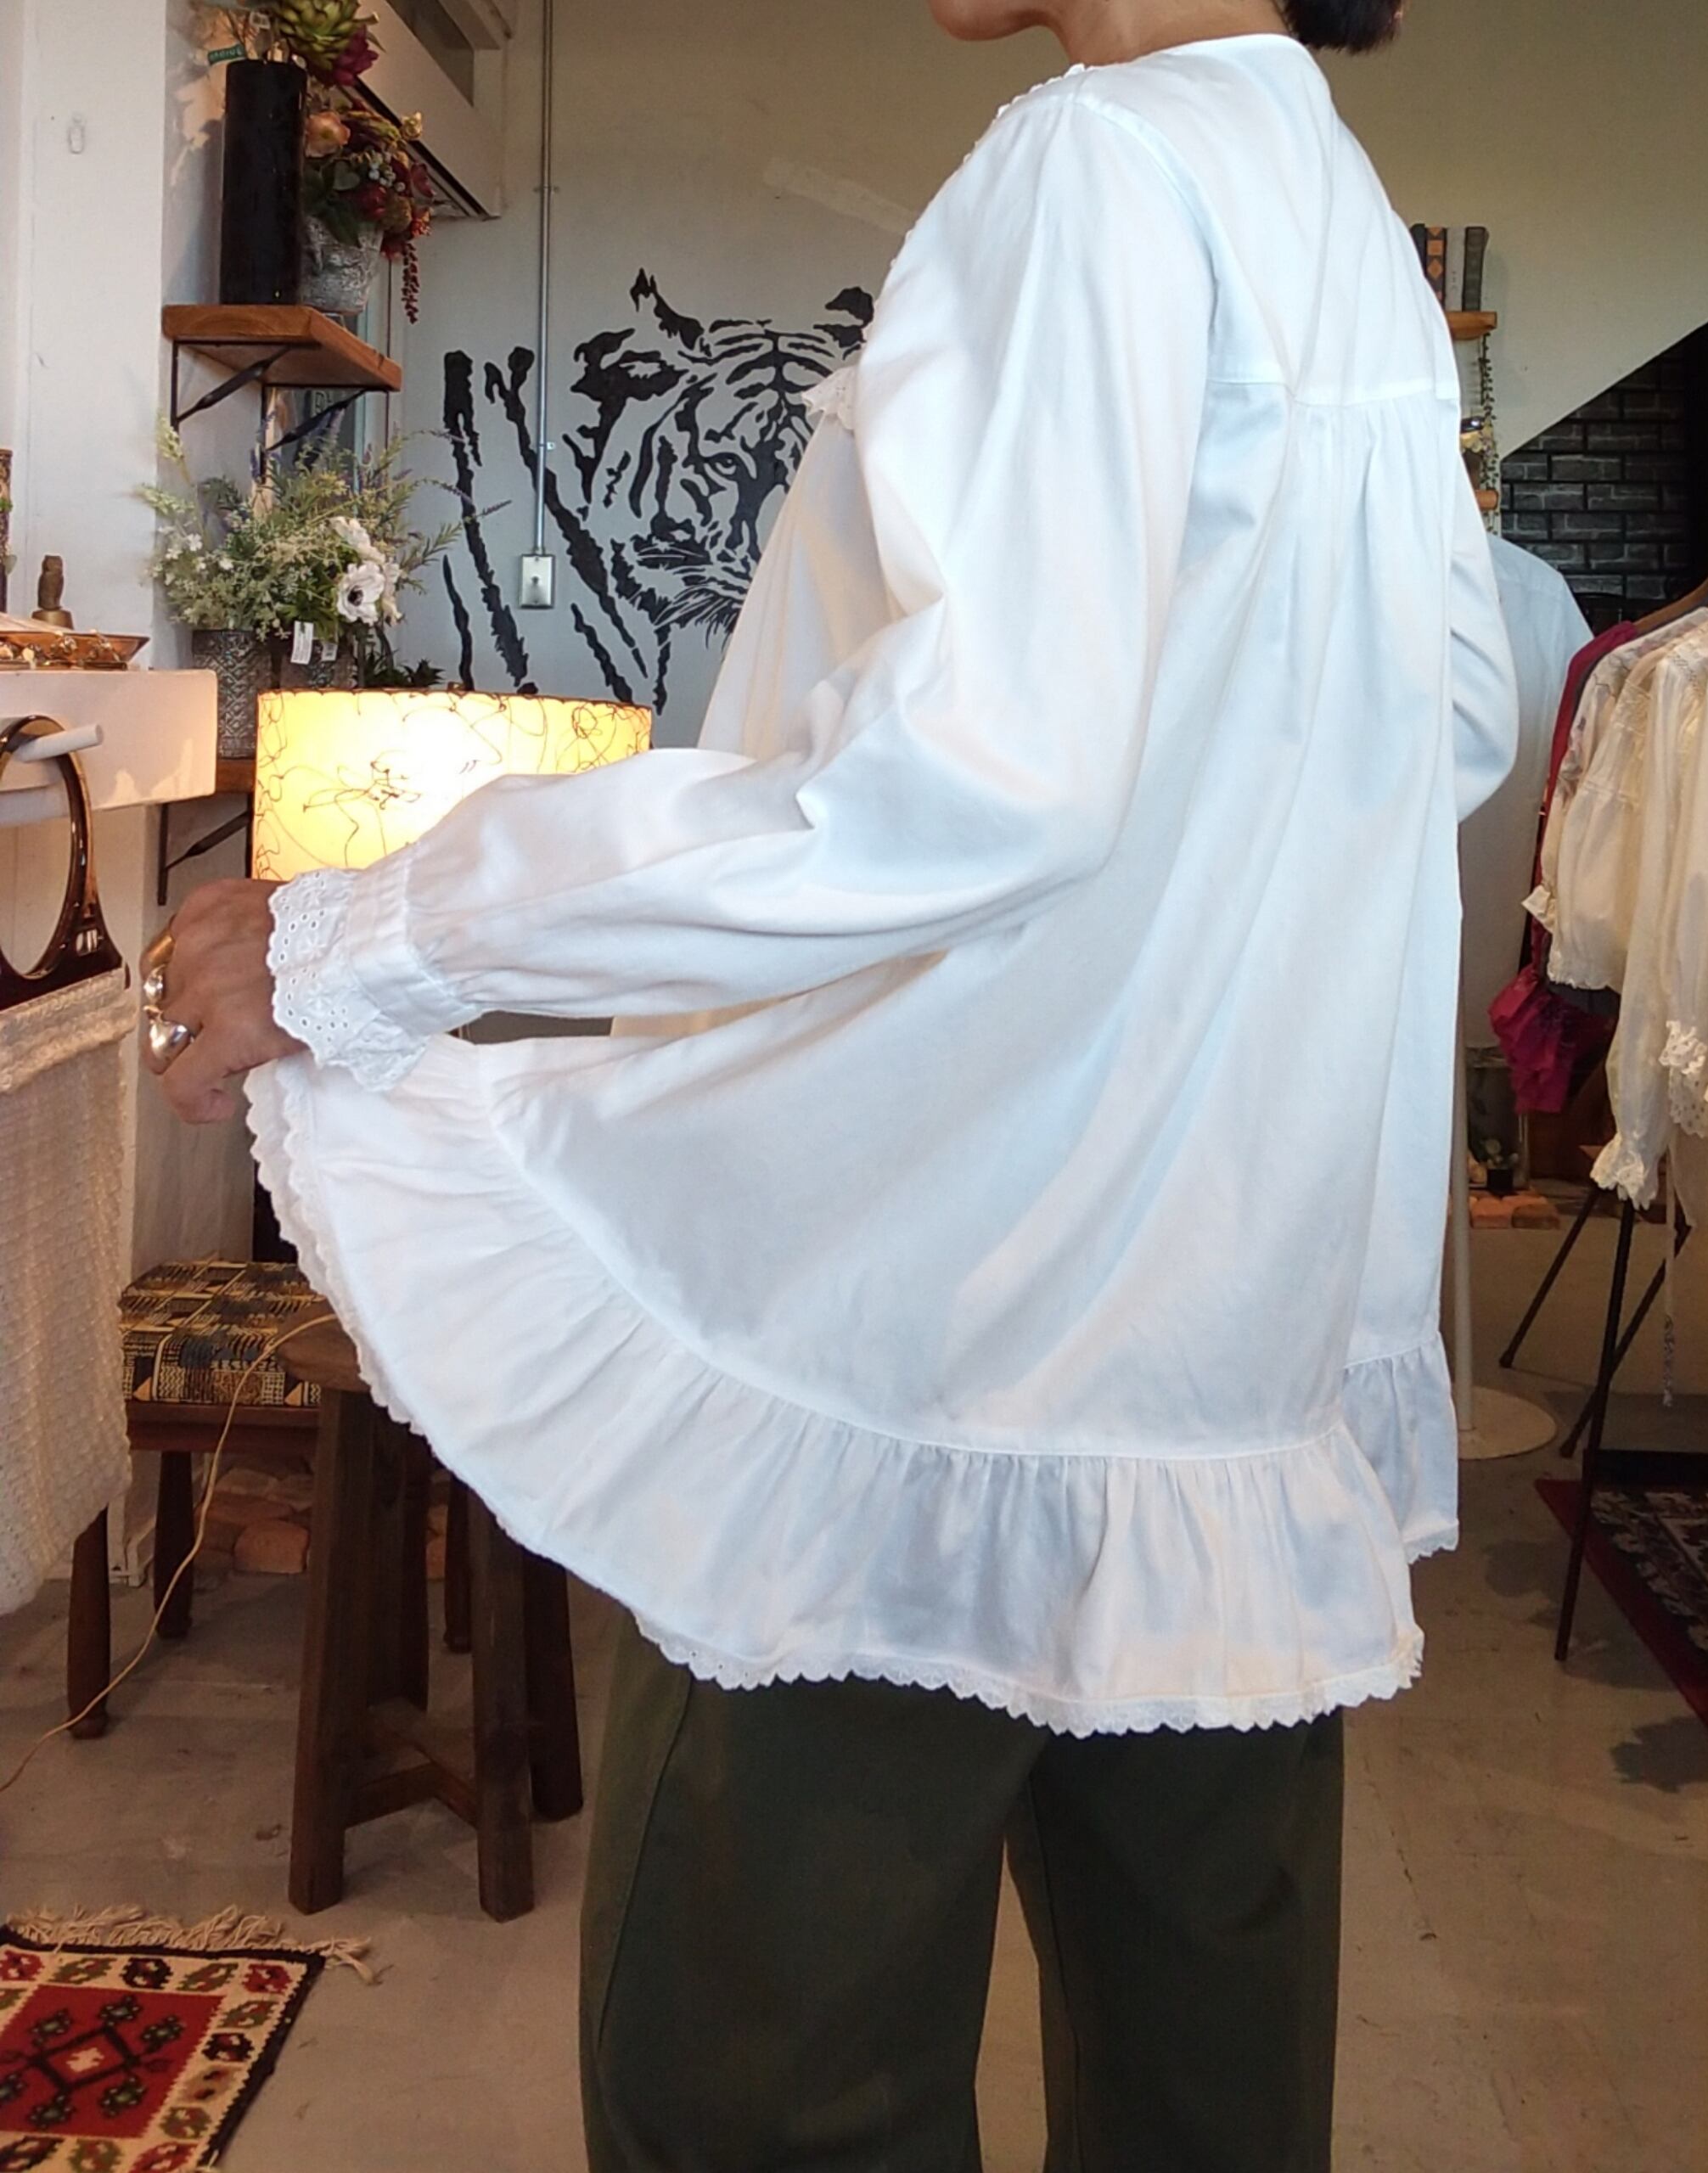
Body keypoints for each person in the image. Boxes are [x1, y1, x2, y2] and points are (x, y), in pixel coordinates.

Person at [149, 0, 1518, 2163]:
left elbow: (972, 780)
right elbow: (1448, 709)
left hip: (915, 1344)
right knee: (1206, 2088)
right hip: (1218, 1386)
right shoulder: (1335, 209)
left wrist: (380, 933)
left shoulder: (1095, 157)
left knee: (754, 2090)